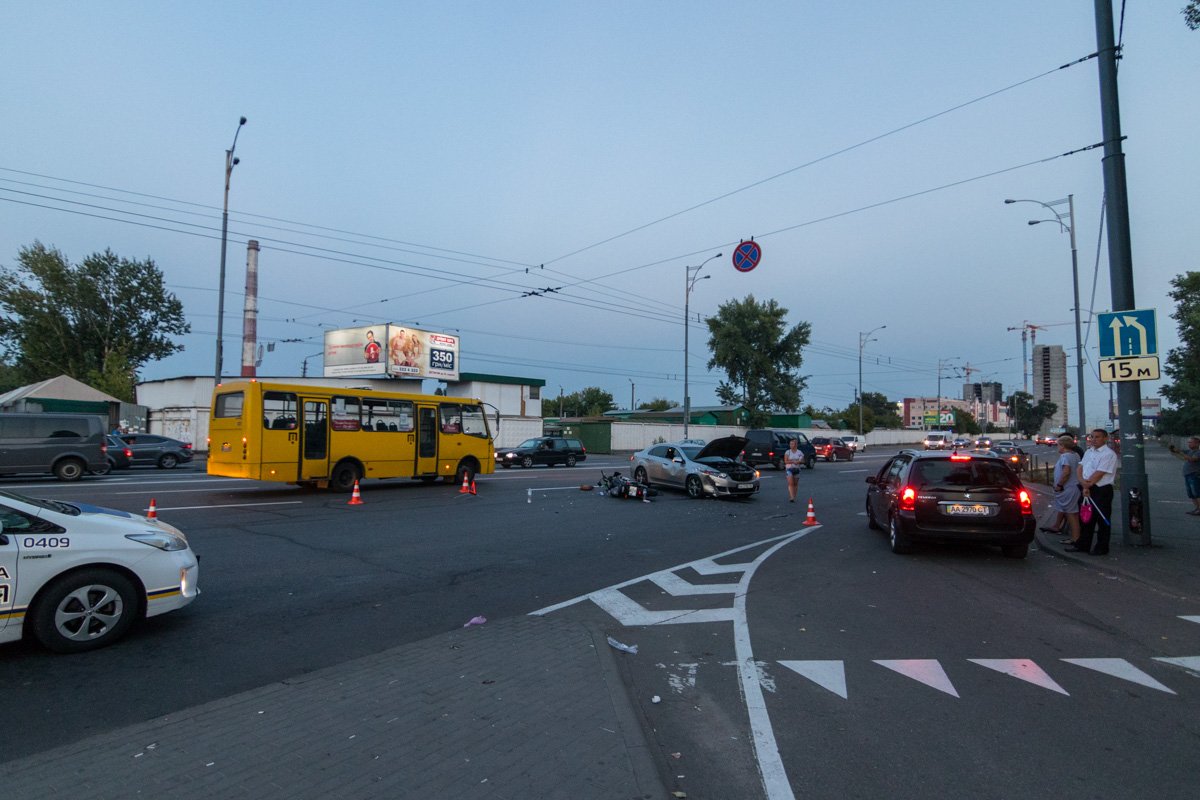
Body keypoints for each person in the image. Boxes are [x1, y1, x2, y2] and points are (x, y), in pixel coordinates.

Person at [1074, 428, 1119, 555]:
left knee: (1101, 518)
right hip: (1085, 487)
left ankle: (1102, 547)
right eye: (1092, 437)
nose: (1093, 440)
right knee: (1085, 518)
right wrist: (1082, 482)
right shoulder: (1089, 452)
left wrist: (1087, 486)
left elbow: (1100, 473)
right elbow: (1080, 467)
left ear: (1105, 438)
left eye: (1097, 437)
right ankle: (1083, 545)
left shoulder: (1108, 454)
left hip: (1100, 489)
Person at [1042, 434, 1082, 544]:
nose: (1057, 447)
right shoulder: (1075, 455)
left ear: (1063, 446)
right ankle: (1076, 536)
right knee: (1073, 513)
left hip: (1067, 488)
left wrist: (1059, 485)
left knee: (1070, 513)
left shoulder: (1065, 457)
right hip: (1074, 487)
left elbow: (1066, 472)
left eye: (1058, 445)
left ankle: (1075, 538)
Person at [1168, 436, 1200, 515]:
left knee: (1197, 493)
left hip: (1195, 475)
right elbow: (1178, 452)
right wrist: (1173, 450)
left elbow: (1192, 459)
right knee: (1191, 494)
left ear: (1197, 443)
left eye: (1191, 442)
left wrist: (1180, 453)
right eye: (1188, 442)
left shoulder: (1198, 452)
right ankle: (1197, 509)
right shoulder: (1190, 451)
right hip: (1188, 475)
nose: (1189, 444)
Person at [783, 438, 804, 503]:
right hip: (789, 469)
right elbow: (785, 461)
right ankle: (791, 497)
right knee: (791, 483)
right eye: (790, 444)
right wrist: (793, 461)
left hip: (797, 469)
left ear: (796, 445)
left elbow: (803, 461)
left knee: (795, 484)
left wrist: (799, 462)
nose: (791, 445)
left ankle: (794, 496)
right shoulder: (787, 452)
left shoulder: (799, 452)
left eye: (793, 444)